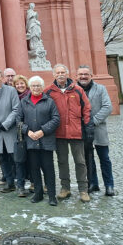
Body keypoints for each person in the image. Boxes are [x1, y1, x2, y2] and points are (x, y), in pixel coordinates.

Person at [46, 64, 92, 203]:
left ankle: (83, 189)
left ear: (67, 73)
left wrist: (87, 127)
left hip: (76, 132)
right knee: (62, 162)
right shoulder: (49, 91)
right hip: (59, 133)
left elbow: (87, 109)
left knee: (80, 161)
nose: (60, 75)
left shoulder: (77, 90)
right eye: (58, 72)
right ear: (54, 75)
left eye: (63, 72)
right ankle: (65, 188)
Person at [17, 76, 60, 206]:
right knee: (34, 169)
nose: (36, 88)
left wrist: (42, 131)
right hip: (30, 141)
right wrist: (27, 131)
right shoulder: (24, 102)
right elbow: (18, 120)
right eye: (33, 86)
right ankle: (38, 193)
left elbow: (56, 119)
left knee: (48, 169)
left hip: (46, 141)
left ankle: (52, 196)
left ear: (42, 87)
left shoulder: (49, 101)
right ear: (30, 87)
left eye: (38, 86)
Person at [76, 65, 115, 196]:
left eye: (86, 74)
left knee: (104, 158)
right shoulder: (74, 90)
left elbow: (107, 107)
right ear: (77, 76)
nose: (83, 76)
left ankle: (109, 185)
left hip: (98, 129)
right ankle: (93, 183)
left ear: (91, 75)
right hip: (82, 130)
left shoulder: (100, 88)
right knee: (88, 158)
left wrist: (92, 121)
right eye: (80, 74)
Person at [13, 75, 31, 197]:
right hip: (19, 133)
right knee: (19, 160)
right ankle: (20, 186)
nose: (20, 86)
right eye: (17, 84)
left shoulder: (31, 95)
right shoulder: (13, 97)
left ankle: (35, 182)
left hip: (31, 132)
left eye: (22, 83)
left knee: (33, 160)